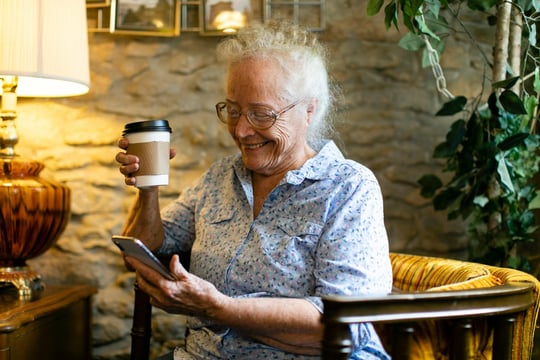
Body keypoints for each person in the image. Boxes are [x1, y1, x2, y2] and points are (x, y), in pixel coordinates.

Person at [115, 21, 393, 360]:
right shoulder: (220, 178)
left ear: (309, 110)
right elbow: (143, 249)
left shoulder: (347, 188)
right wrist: (149, 188)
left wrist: (221, 309)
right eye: (233, 111)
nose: (243, 130)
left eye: (262, 114)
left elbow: (349, 321)